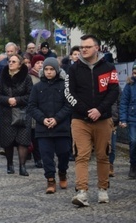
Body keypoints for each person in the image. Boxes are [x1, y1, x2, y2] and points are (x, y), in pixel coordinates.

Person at [66, 35, 120, 206]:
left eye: (87, 47)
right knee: (81, 155)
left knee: (103, 155)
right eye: (82, 47)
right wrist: (86, 111)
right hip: (80, 120)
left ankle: (103, 189)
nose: (83, 50)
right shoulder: (73, 69)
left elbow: (113, 91)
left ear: (97, 48)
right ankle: (82, 192)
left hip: (103, 119)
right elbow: (69, 93)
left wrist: (99, 110)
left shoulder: (109, 67)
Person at [28, 58, 73, 193]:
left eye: (51, 69)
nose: (49, 72)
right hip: (43, 128)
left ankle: (63, 173)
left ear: (57, 70)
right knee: (46, 156)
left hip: (61, 127)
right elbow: (32, 106)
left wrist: (57, 119)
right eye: (46, 69)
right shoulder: (37, 87)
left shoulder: (64, 86)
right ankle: (50, 180)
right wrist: (43, 119)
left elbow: (69, 105)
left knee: (64, 153)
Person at [0, 54, 33, 176]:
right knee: (8, 141)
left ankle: (22, 166)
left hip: (22, 112)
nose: (10, 63)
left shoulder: (26, 77)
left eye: (13, 61)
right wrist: (8, 100)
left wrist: (17, 100)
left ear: (20, 64)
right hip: (6, 113)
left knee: (23, 140)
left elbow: (30, 95)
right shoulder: (3, 76)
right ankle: (9, 164)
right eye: (9, 61)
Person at [119, 63, 136, 179]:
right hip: (132, 119)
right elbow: (124, 102)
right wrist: (123, 119)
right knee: (133, 141)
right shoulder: (130, 85)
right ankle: (133, 165)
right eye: (134, 71)